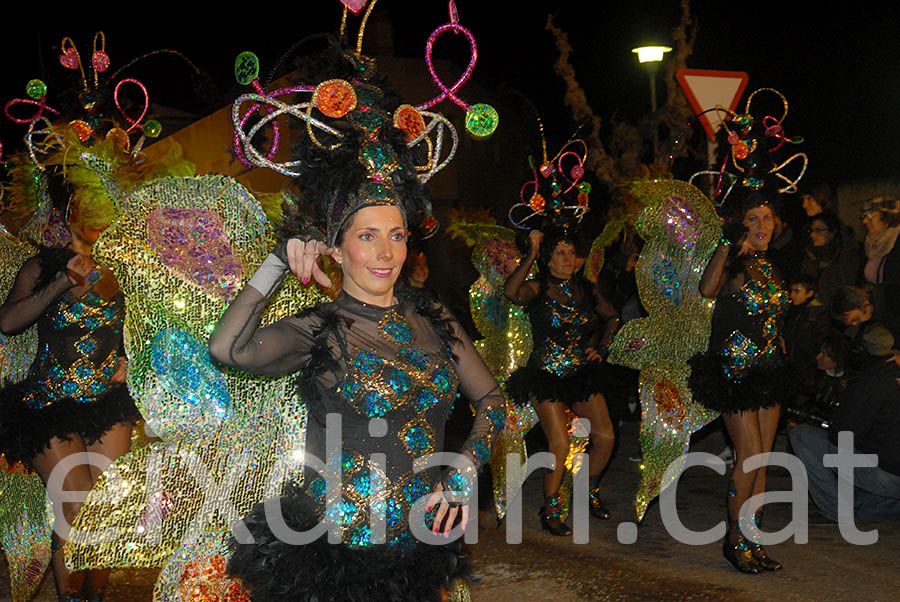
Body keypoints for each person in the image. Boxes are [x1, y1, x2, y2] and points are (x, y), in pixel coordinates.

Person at [214, 31, 499, 602]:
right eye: (368, 236)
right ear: (336, 249)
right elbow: (229, 350)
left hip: (421, 550)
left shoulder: (434, 318)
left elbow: (492, 402)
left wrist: (466, 469)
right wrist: (276, 261)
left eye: (396, 235)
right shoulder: (321, 329)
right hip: (332, 559)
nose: (387, 252)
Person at [0, 173, 140, 602]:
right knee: (76, 511)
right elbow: (7, 323)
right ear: (71, 212)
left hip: (105, 405)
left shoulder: (127, 267)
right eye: (89, 207)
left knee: (105, 517)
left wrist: (130, 360)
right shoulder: (41, 265)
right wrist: (61, 282)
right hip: (46, 405)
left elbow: (147, 326)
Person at [693, 191, 790, 573]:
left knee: (762, 460)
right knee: (748, 456)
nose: (762, 226)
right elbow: (706, 290)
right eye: (753, 219)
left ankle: (753, 540)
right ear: (741, 224)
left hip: (768, 370)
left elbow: (774, 312)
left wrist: (777, 336)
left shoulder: (773, 268)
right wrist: (725, 245)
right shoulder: (732, 266)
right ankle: (734, 541)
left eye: (767, 219)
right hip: (734, 374)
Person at [503, 228, 615, 535]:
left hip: (579, 373)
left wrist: (602, 348)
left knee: (605, 436)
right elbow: (511, 293)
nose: (568, 259)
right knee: (561, 442)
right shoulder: (538, 288)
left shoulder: (586, 290)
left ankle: (587, 491)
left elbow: (613, 317)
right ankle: (550, 508)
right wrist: (530, 254)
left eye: (571, 252)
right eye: (559, 253)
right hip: (545, 376)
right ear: (548, 260)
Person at [789, 327, 900, 523]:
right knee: (860, 502)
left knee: (802, 434)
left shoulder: (873, 380)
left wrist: (831, 420)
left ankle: (836, 511)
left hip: (887, 474)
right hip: (892, 474)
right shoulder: (887, 376)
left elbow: (842, 435)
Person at [799, 210, 860, 309]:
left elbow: (846, 286)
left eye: (818, 230)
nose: (813, 235)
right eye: (811, 231)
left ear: (832, 233)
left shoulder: (846, 256)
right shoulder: (810, 256)